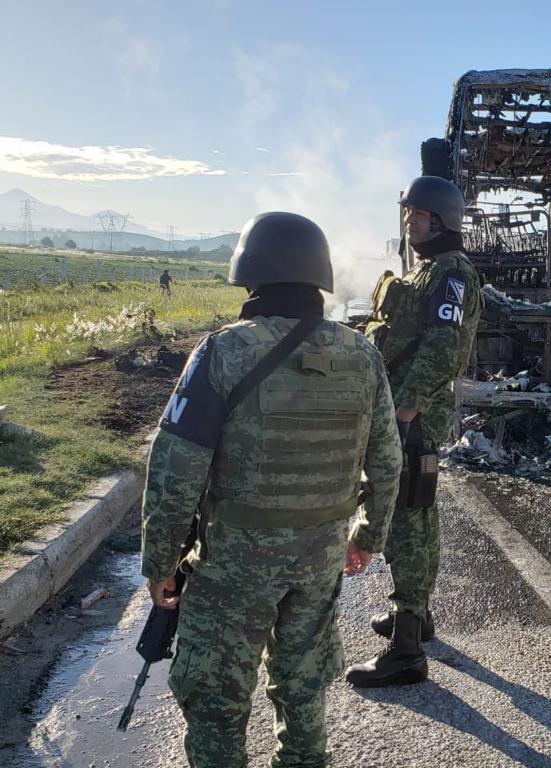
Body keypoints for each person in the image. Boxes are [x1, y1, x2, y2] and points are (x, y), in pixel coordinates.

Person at [140, 211, 402, 768]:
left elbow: (175, 469)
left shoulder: (223, 352)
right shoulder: (363, 356)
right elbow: (386, 462)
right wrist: (366, 537)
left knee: (216, 703)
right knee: (305, 690)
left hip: (235, 564)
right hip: (321, 556)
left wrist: (161, 560)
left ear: (250, 273)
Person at [345, 175, 481, 687]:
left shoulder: (450, 276)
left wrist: (404, 411)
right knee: (412, 514)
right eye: (408, 214)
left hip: (413, 419)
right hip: (404, 413)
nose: (410, 222)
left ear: (441, 221)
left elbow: (444, 351)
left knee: (408, 522)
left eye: (418, 215)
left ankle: (406, 653)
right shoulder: (427, 271)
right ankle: (416, 619)